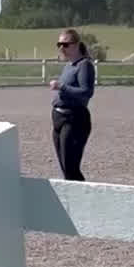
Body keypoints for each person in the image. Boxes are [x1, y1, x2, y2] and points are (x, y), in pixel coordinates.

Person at [50, 28, 95, 180]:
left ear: (76, 45)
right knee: (65, 167)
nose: (61, 48)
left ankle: (82, 200)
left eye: (65, 44)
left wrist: (61, 86)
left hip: (74, 119)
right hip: (59, 119)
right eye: (59, 44)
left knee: (71, 168)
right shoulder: (69, 66)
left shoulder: (84, 65)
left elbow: (86, 92)